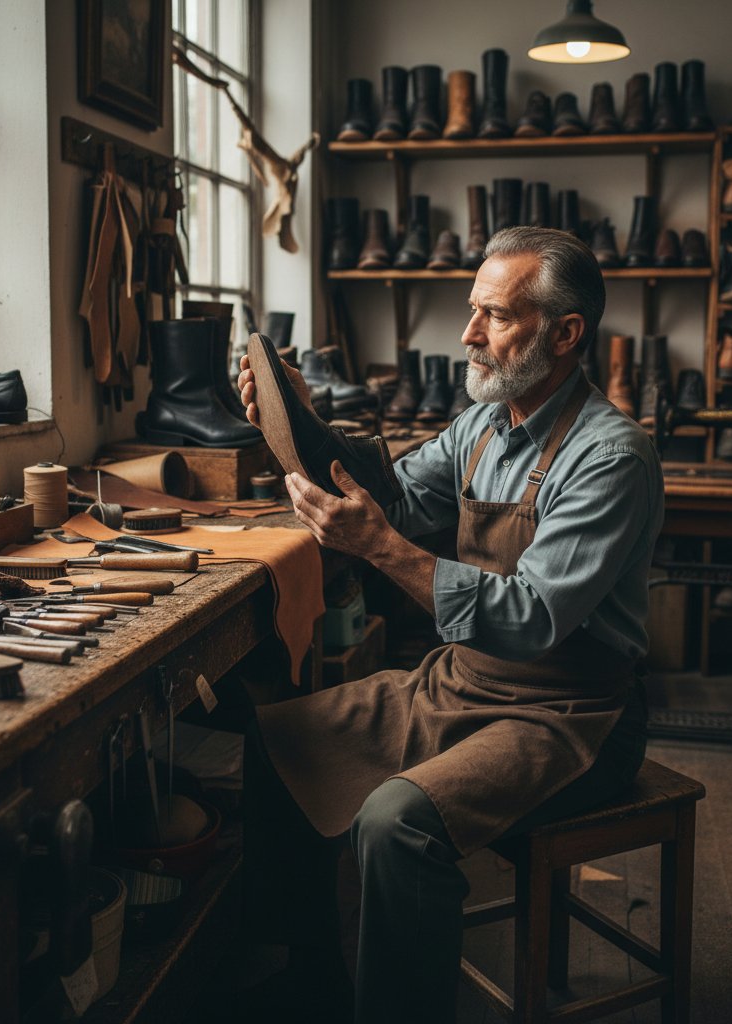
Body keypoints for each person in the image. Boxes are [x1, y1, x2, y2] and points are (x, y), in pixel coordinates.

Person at [234, 226, 664, 1024]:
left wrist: (385, 552)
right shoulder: (483, 426)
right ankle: (317, 978)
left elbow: (534, 619)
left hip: (573, 713)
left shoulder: (611, 457)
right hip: (464, 685)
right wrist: (294, 416)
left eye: (494, 316)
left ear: (566, 334)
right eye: (473, 311)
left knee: (395, 824)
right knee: (280, 740)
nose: (468, 335)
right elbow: (388, 498)